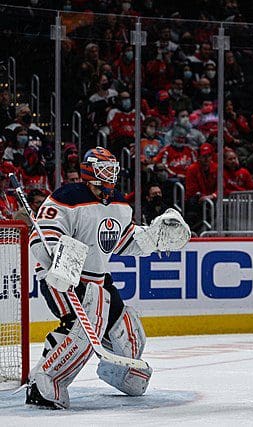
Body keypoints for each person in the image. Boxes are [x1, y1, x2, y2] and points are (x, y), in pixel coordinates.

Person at [25, 147, 189, 409]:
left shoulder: (120, 204)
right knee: (82, 329)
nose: (110, 176)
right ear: (89, 171)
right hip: (63, 278)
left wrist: (153, 238)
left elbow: (121, 241)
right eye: (103, 169)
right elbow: (41, 237)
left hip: (99, 280)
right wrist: (59, 255)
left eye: (112, 169)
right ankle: (44, 382)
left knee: (130, 334)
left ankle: (119, 375)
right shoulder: (66, 197)